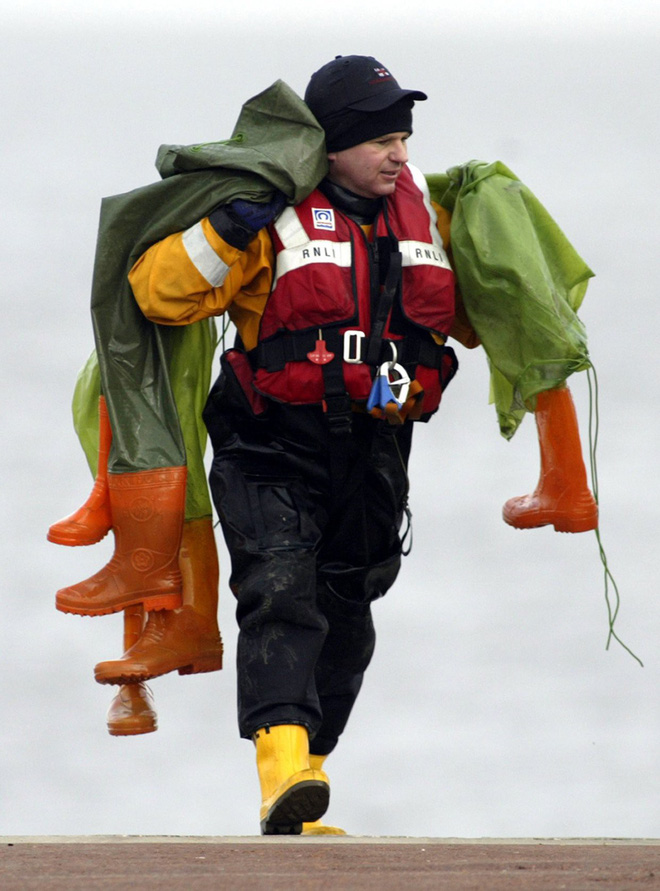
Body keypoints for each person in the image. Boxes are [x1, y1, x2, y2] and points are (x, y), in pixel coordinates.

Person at [123, 54, 467, 835]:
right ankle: (281, 771)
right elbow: (156, 291)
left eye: (404, 138)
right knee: (280, 590)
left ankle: (307, 772)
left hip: (377, 449)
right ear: (332, 146)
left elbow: (479, 314)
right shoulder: (267, 217)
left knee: (349, 611)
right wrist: (225, 226)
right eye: (380, 139)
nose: (399, 154)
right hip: (270, 442)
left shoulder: (427, 217)